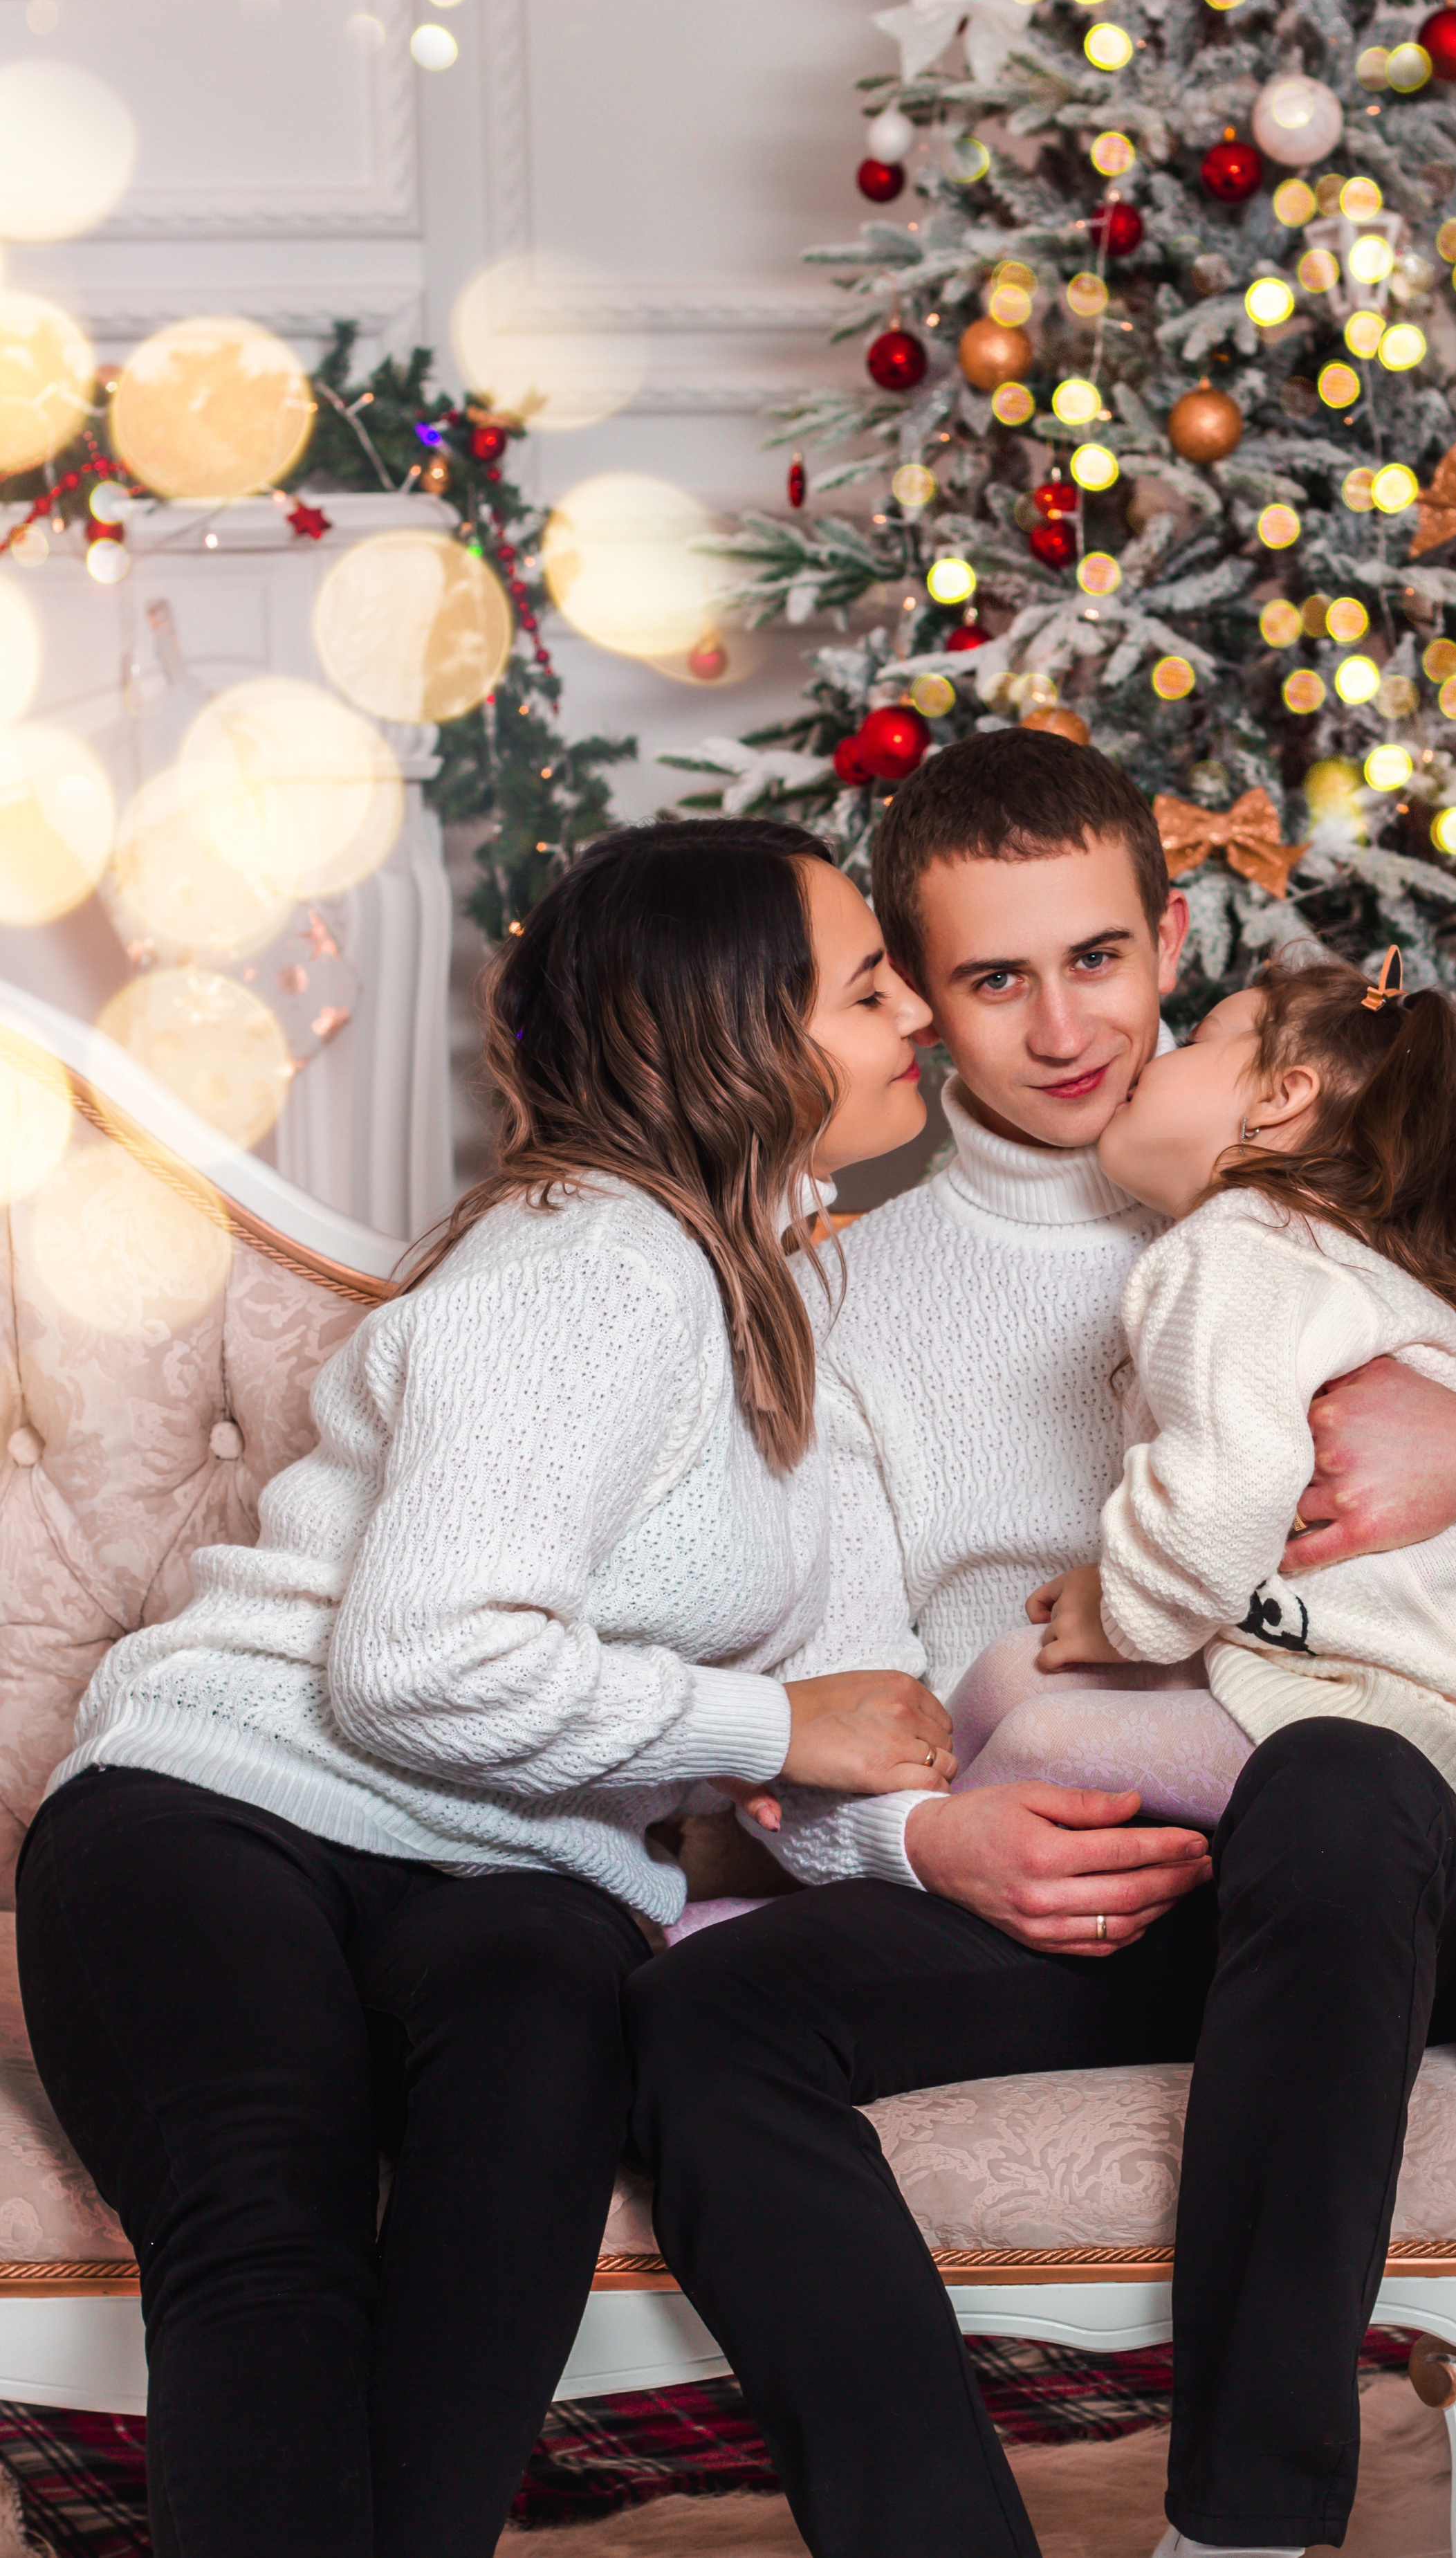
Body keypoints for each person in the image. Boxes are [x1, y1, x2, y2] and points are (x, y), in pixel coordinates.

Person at [625, 735, 1456, 2558]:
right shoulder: (843, 1290)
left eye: (1097, 957)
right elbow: (815, 1678)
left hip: (1359, 1866)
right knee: (702, 2010)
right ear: (918, 999)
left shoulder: (1372, 1187)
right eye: (995, 979)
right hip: (1073, 1876)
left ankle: (1242, 2525)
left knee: (1334, 1783)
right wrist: (931, 1842)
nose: (1064, 1026)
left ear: (1172, 937)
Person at [15, 818, 952, 2558]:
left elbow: (859, 1705)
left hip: (516, 1876)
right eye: (866, 984)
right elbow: (418, 1667)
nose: (919, 1016)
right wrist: (767, 1727)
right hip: (221, 1807)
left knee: (528, 2091)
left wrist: (934, 1836)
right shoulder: (595, 1260)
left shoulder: (767, 1296)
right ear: (723, 1036)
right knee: (270, 2220)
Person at [988, 948, 1456, 1846]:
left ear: (1281, 1095)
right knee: (1008, 1676)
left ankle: (859, 1878)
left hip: (1404, 1719)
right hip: (1424, 1685)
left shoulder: (1235, 1247)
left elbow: (1232, 1493)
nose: (1151, 1057)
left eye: (1196, 1040)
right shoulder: (1326, 1252)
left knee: (1037, 1735)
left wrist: (1129, 1613)